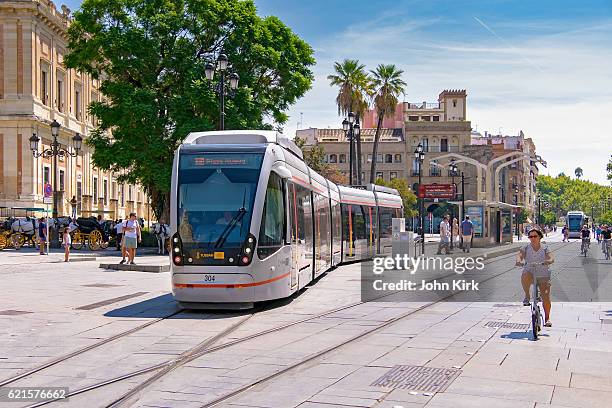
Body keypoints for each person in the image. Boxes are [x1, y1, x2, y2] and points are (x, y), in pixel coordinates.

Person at [515, 227, 554, 327]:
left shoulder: (545, 247)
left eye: (535, 236)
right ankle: (527, 295)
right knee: (525, 275)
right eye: (530, 236)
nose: (532, 238)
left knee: (546, 297)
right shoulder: (526, 247)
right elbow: (519, 254)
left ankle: (547, 318)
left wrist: (548, 260)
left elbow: (551, 256)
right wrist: (519, 261)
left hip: (543, 273)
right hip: (530, 271)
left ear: (540, 237)